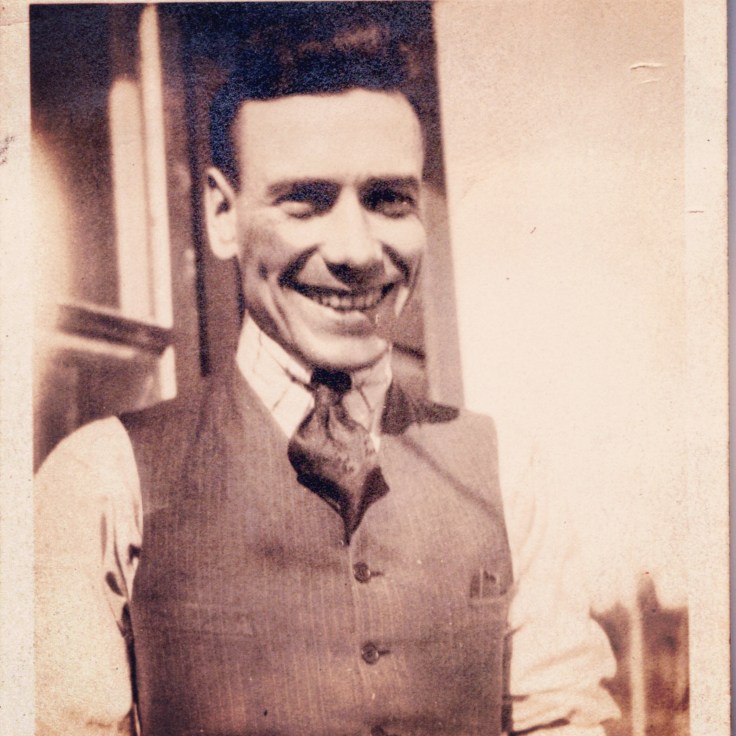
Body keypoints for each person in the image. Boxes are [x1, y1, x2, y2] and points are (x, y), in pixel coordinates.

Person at [34, 7, 620, 736]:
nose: (355, 251)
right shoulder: (101, 483)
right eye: (305, 202)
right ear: (222, 215)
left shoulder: (509, 477)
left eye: (388, 200)